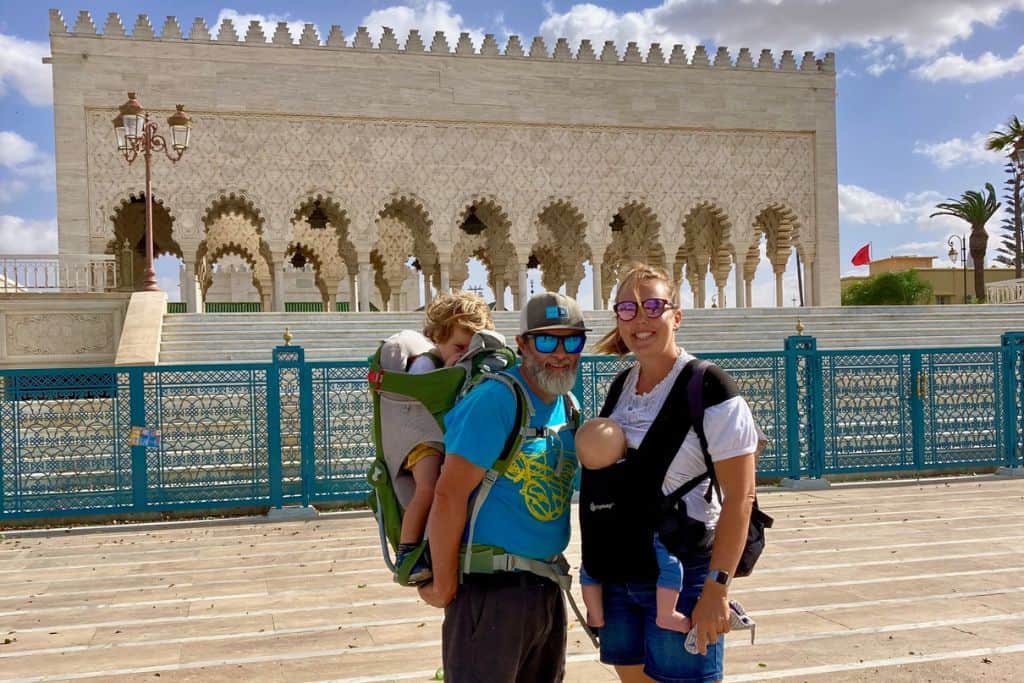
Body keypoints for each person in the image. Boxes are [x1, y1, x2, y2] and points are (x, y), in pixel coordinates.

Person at [580, 263, 759, 683]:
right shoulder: (620, 385)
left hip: (682, 576)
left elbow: (741, 498)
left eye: (653, 306)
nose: (640, 319)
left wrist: (717, 588)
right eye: (628, 308)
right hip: (620, 574)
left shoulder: (710, 387)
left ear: (676, 316)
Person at [418, 291, 587, 682]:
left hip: (545, 589)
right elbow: (449, 494)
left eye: (571, 340)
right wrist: (444, 584)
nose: (560, 352)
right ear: (523, 344)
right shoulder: (496, 399)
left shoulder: (569, 405)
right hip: (491, 591)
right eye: (547, 340)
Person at [394, 291, 495, 584]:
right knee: (429, 487)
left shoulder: (459, 364)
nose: (463, 354)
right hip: (421, 442)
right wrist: (446, 379)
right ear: (438, 336)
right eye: (458, 346)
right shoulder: (426, 365)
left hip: (443, 439)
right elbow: (420, 397)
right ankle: (407, 551)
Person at [575, 418, 692, 636]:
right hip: (641, 548)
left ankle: (595, 615)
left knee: (588, 573)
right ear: (623, 451)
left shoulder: (589, 481)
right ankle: (667, 613)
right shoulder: (632, 471)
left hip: (599, 552)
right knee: (672, 565)